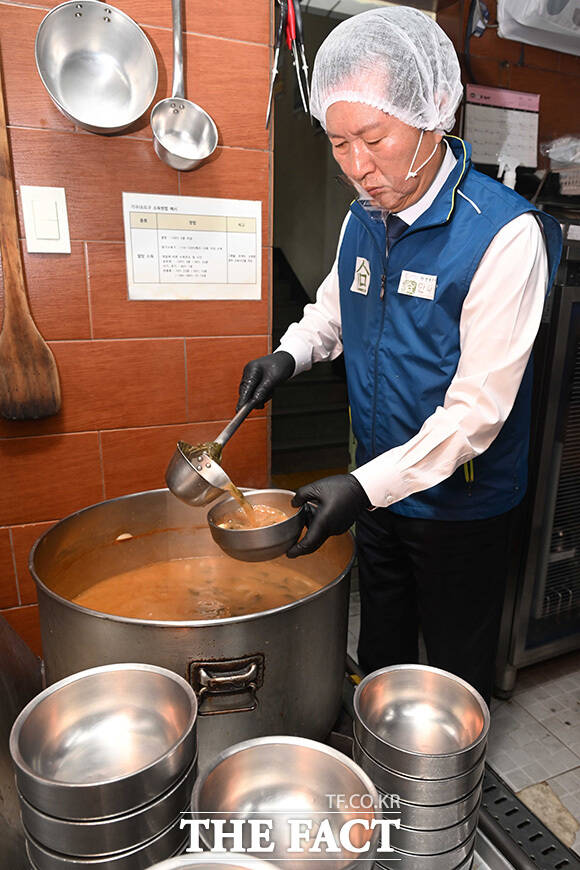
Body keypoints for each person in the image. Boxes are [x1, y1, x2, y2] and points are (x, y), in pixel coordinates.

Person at [237, 7, 562, 705]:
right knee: (381, 640)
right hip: (380, 484)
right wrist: (288, 356)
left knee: (451, 670)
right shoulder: (366, 219)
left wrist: (360, 487)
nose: (358, 168)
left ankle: (443, 792)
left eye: (375, 139)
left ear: (433, 114)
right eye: (338, 142)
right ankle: (376, 761)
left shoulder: (503, 236)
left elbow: (478, 411)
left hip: (460, 503)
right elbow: (333, 311)